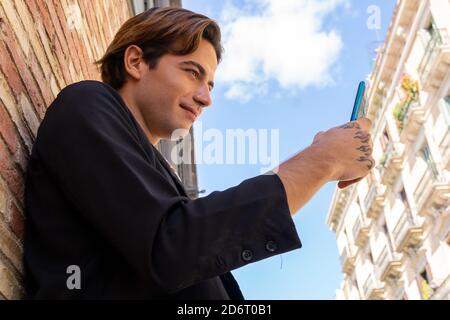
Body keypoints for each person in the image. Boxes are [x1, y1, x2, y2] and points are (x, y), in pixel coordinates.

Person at [23, 7, 374, 300]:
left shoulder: (155, 169)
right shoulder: (86, 103)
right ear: (136, 61)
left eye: (210, 85)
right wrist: (321, 161)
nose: (206, 98)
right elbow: (172, 246)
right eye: (193, 73)